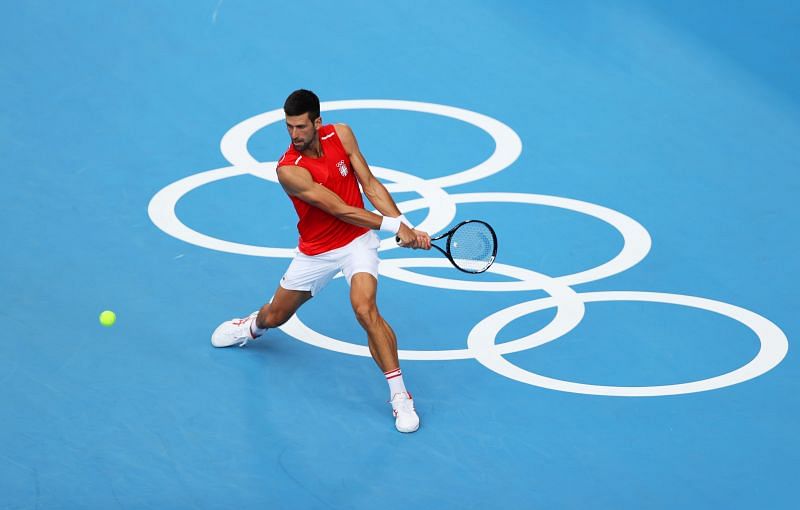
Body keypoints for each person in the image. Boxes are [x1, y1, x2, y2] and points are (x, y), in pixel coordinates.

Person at [211, 89, 431, 433]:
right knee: (276, 315)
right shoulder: (288, 170)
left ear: (318, 122)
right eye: (289, 127)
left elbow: (370, 185)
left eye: (301, 126)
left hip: (357, 242)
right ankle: (251, 326)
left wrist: (407, 225)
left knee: (365, 309)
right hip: (316, 252)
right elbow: (339, 208)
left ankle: (400, 396)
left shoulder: (341, 134)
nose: (295, 135)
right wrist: (394, 226)